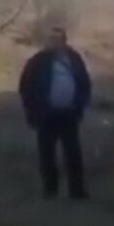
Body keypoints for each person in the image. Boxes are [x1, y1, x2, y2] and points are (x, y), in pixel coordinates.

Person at [17, 26, 91, 199]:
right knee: (47, 154)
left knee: (73, 153)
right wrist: (32, 110)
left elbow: (84, 83)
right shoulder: (38, 61)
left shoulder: (74, 59)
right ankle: (50, 190)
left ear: (65, 40)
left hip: (69, 114)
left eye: (59, 39)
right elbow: (25, 86)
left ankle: (77, 190)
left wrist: (80, 104)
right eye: (52, 39)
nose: (55, 42)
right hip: (46, 115)